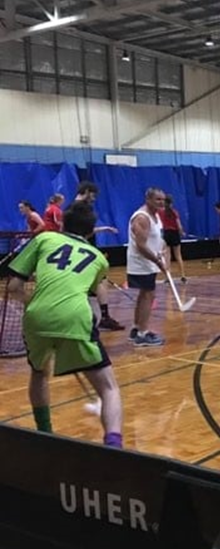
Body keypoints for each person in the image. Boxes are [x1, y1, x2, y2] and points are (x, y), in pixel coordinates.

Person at [7, 201, 124, 447]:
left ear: (61, 223)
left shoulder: (44, 239)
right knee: (109, 389)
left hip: (36, 317)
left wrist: (35, 302)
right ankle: (114, 447)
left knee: (39, 373)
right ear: (91, 232)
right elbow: (88, 289)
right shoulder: (99, 259)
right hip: (75, 316)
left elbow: (14, 288)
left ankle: (45, 434)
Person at [72, 182, 124, 332]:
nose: (94, 199)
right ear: (87, 192)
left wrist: (103, 229)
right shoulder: (83, 208)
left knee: (91, 283)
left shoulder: (71, 208)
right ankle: (104, 317)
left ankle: (86, 317)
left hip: (76, 250)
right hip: (85, 251)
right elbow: (86, 231)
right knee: (101, 281)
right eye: (93, 195)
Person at [127, 188, 167, 347]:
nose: (161, 202)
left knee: (145, 294)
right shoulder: (142, 218)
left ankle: (136, 329)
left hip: (150, 261)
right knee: (148, 296)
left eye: (163, 199)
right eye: (158, 199)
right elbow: (141, 246)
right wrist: (158, 262)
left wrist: (162, 254)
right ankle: (142, 333)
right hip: (141, 263)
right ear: (148, 199)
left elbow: (157, 239)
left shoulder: (155, 216)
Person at [158, 194, 187, 284]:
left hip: (167, 234)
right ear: (171, 203)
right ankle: (183, 276)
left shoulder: (161, 212)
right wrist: (182, 232)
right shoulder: (174, 212)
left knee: (167, 257)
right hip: (174, 234)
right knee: (178, 256)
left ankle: (168, 277)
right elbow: (179, 225)